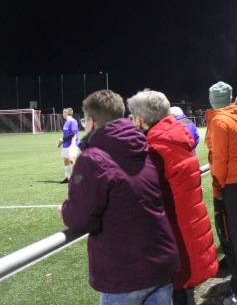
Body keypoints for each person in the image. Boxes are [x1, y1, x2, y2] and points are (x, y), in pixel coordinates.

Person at [59, 89, 180, 305]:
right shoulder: (141, 145)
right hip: (160, 263)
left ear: (92, 122)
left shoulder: (93, 158)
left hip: (126, 271)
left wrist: (66, 210)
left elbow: (80, 219)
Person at [127, 90, 219, 305]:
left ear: (140, 118)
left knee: (178, 294)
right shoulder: (175, 138)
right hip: (187, 230)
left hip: (174, 237)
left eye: (133, 116)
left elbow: (138, 196)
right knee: (184, 293)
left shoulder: (155, 147)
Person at [205, 81, 237, 305]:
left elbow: (220, 159)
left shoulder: (219, 120)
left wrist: (218, 188)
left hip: (231, 187)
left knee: (232, 241)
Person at [58, 107, 79, 183]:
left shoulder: (73, 121)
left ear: (66, 113)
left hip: (73, 143)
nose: (63, 114)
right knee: (66, 161)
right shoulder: (66, 122)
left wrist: (63, 139)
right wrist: (61, 143)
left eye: (63, 112)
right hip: (66, 144)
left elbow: (73, 133)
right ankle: (67, 178)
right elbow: (65, 134)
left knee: (71, 159)